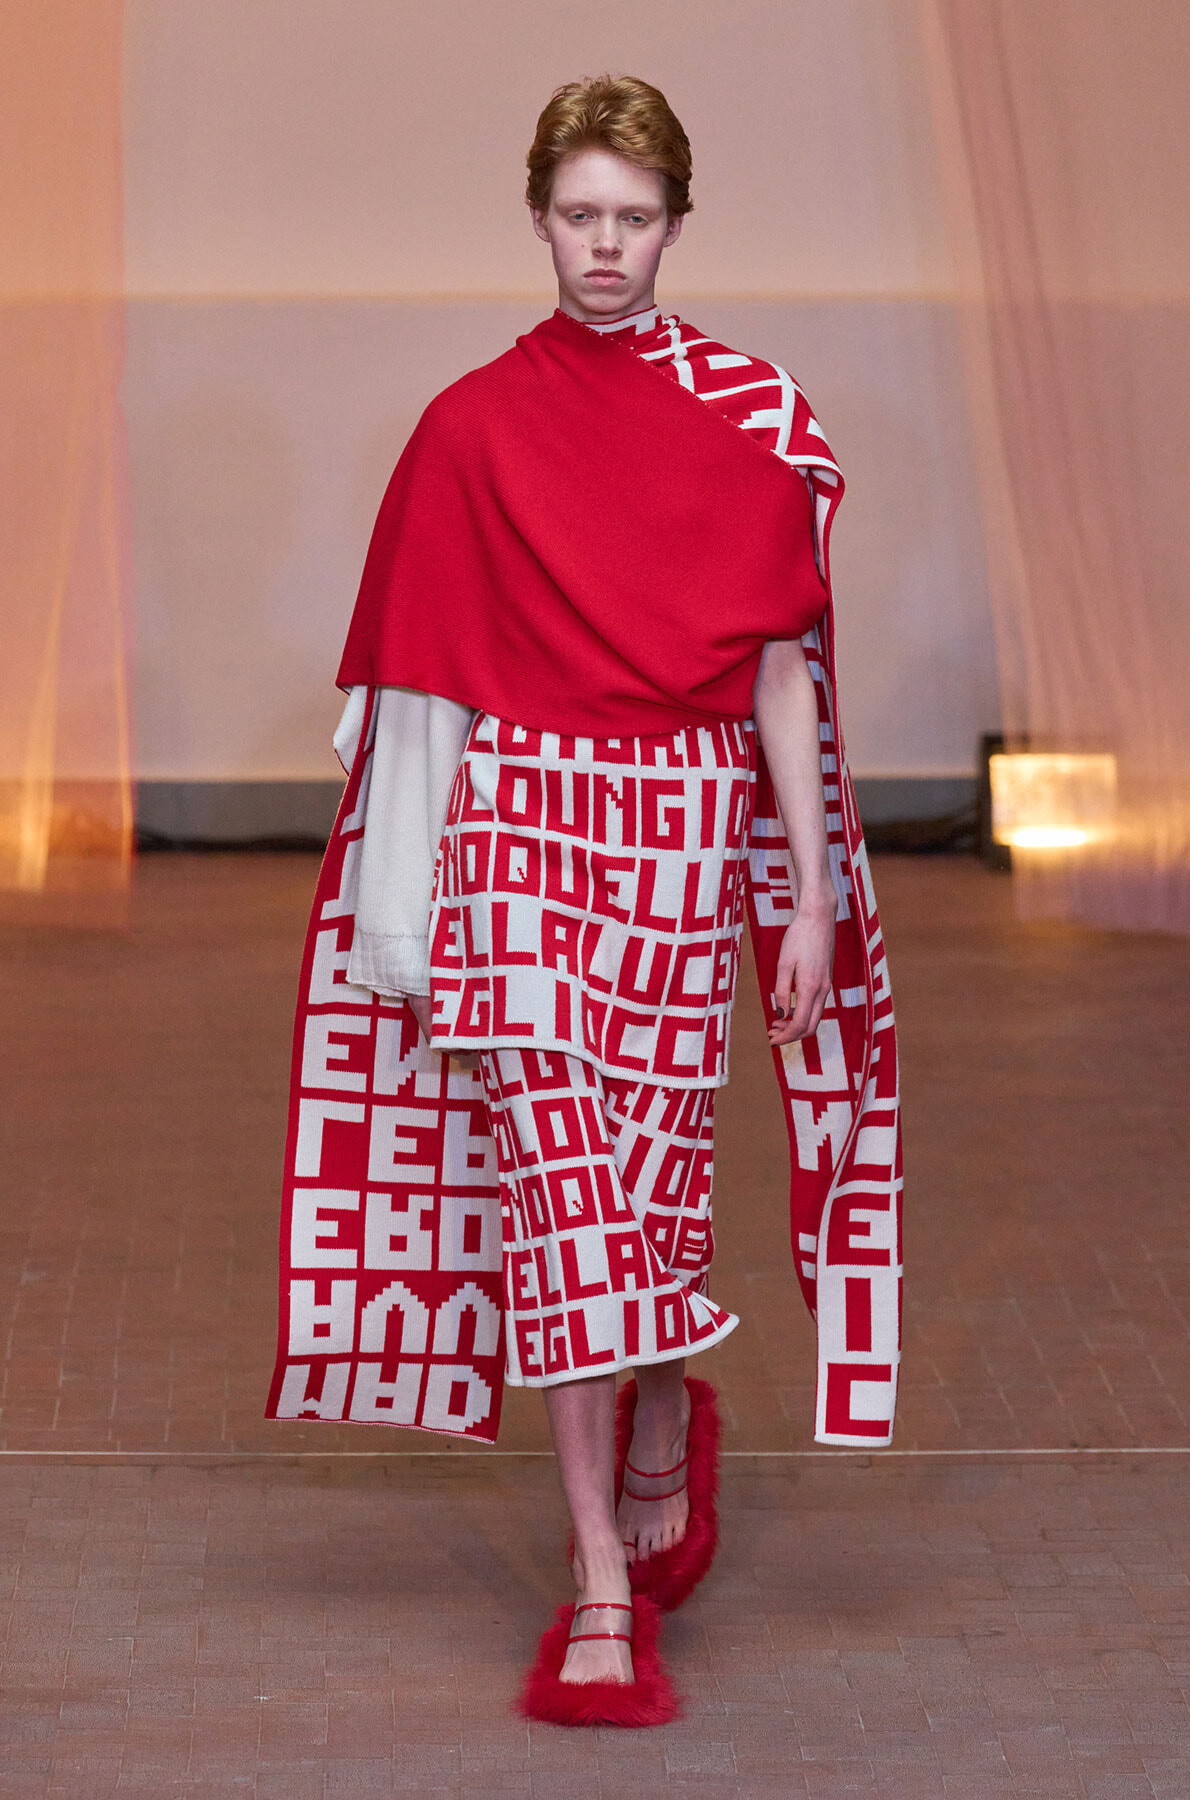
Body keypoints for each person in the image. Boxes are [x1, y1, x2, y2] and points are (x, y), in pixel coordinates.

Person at [267, 74, 902, 1729]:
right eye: (578, 216)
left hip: (679, 844)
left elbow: (781, 683)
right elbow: (421, 680)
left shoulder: (753, 414)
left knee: (650, 1182)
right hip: (522, 843)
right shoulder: (470, 427)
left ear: (678, 224)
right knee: (564, 1201)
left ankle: (663, 1404)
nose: (606, 247)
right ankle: (601, 1594)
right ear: (536, 215)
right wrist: (407, 906)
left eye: (635, 219)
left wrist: (813, 900)